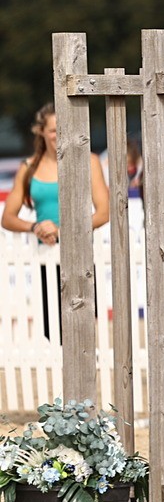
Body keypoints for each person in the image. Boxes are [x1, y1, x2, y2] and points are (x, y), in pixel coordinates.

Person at [1, 103, 110, 338]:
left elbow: (103, 213)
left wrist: (61, 232)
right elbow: (7, 218)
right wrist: (36, 227)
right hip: (45, 258)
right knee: (53, 332)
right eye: (53, 130)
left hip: (81, 255)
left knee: (84, 331)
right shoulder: (29, 167)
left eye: (64, 129)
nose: (59, 135)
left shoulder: (89, 162)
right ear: (41, 131)